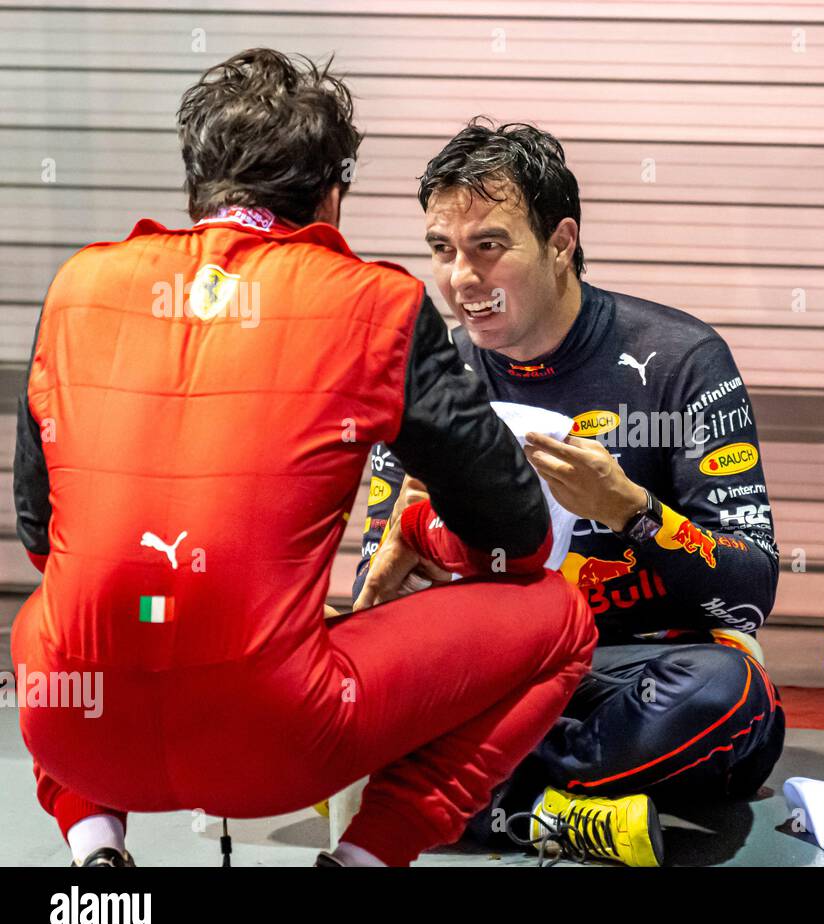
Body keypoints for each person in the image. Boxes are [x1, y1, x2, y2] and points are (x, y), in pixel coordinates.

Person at [10, 50, 596, 868]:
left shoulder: (78, 285)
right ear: (331, 195)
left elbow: (42, 535)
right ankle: (362, 859)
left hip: (76, 730)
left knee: (60, 607)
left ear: (195, 186)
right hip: (280, 744)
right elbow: (518, 534)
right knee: (562, 620)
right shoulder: (376, 303)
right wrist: (425, 540)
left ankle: (94, 846)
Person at [356, 120, 784, 866]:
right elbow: (374, 596)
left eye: (489, 245)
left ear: (561, 242)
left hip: (636, 675)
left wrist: (629, 510)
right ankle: (551, 810)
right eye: (443, 250)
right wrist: (404, 544)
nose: (462, 278)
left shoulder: (683, 360)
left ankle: (486, 802)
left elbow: (749, 594)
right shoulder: (430, 376)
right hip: (491, 676)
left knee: (729, 694)